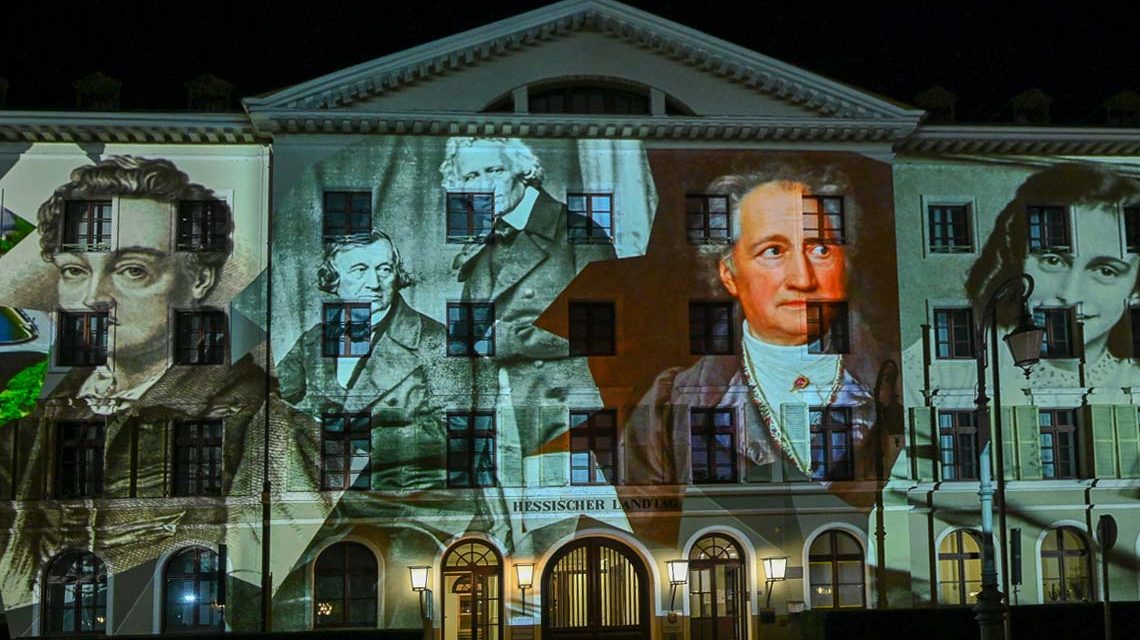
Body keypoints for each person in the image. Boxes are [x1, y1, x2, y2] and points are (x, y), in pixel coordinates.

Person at [0, 156, 266, 633]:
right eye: (75, 270)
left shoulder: (247, 405)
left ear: (199, 279)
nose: (95, 296)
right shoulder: (31, 411)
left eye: (133, 270)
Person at [627, 164, 874, 484]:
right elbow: (649, 529)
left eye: (820, 249)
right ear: (728, 273)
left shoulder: (896, 382)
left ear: (846, 263)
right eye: (773, 251)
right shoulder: (672, 406)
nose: (802, 278)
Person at [439, 137, 617, 486]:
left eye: (494, 170)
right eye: (472, 175)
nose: (485, 184)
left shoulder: (576, 232)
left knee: (570, 531)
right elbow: (464, 351)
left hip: (567, 416)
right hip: (503, 424)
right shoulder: (481, 252)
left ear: (523, 170)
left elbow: (605, 325)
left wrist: (510, 338)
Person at [276, 229, 449, 489]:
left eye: (384, 270)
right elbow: (270, 400)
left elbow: (455, 429)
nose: (374, 283)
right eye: (359, 270)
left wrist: (359, 442)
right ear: (333, 280)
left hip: (407, 494)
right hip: (326, 491)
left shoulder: (436, 340)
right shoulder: (313, 341)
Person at [965, 162, 1140, 388]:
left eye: (1106, 271)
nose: (1069, 294)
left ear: (1136, 289)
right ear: (1019, 261)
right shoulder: (951, 366)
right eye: (1053, 260)